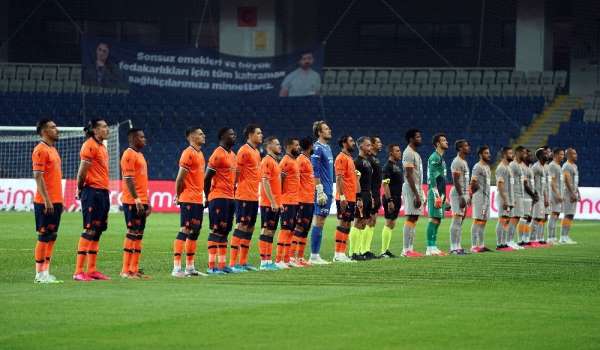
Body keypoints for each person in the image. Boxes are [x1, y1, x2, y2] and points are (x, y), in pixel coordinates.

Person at [73, 119, 111, 281]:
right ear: (95, 130)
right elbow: (82, 171)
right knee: (89, 229)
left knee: (97, 231)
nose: (106, 129)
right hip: (92, 192)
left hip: (103, 191)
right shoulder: (89, 145)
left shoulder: (102, 146)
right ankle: (78, 271)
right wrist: (80, 188)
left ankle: (92, 270)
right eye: (103, 127)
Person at [171, 127, 207, 278]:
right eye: (200, 134)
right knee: (185, 229)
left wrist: (203, 194)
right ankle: (177, 268)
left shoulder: (200, 154)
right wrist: (178, 195)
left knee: (195, 232)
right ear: (191, 137)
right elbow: (180, 179)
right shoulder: (188, 153)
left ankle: (190, 267)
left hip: (198, 199)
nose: (203, 135)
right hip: (188, 198)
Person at [32, 119, 63, 284]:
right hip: (45, 201)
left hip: (56, 200)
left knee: (52, 236)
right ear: (44, 131)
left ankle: (46, 272)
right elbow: (38, 176)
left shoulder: (52, 149)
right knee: (44, 235)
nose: (56, 130)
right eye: (52, 127)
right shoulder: (40, 150)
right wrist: (46, 200)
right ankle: (39, 274)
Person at [230, 124, 263, 272]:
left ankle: (243, 262)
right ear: (250, 135)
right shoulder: (244, 150)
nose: (261, 135)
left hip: (253, 196)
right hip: (243, 195)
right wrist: (234, 187)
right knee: (241, 225)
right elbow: (236, 171)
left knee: (249, 227)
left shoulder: (256, 152)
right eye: (258, 133)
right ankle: (232, 263)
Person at [204, 127, 237, 274]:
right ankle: (212, 266)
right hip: (218, 197)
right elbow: (206, 178)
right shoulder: (218, 154)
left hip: (230, 197)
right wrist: (207, 196)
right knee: (216, 230)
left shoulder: (232, 155)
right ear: (222, 136)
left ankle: (222, 265)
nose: (234, 136)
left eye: (234, 134)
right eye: (231, 134)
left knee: (225, 231)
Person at [120, 128, 151, 279]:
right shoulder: (129, 154)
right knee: (132, 232)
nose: (144, 139)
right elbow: (128, 179)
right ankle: (125, 270)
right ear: (133, 138)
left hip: (142, 200)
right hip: (133, 201)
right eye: (141, 137)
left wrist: (147, 201)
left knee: (139, 235)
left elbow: (142, 180)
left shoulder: (140, 155)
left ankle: (134, 269)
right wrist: (137, 199)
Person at [309, 121, 334, 264]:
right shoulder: (317, 148)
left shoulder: (328, 148)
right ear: (319, 132)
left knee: (321, 221)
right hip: (322, 190)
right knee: (318, 220)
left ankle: (315, 255)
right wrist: (319, 191)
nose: (329, 130)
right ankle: (313, 255)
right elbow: (315, 170)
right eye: (326, 128)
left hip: (329, 190)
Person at [258, 137, 283, 270]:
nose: (280, 146)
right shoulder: (267, 161)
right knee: (266, 230)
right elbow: (265, 182)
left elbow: (275, 184)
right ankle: (263, 262)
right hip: (268, 203)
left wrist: (279, 202)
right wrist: (273, 201)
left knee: (271, 231)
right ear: (269, 146)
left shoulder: (274, 161)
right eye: (277, 144)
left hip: (275, 203)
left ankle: (268, 261)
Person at [276, 138, 302, 269]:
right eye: (296, 145)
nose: (298, 147)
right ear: (288, 146)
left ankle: (286, 259)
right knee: (285, 230)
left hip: (295, 201)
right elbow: (279, 181)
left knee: (291, 230)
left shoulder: (294, 161)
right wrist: (279, 200)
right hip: (287, 201)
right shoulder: (285, 161)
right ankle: (278, 259)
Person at [290, 137, 315, 266]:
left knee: (305, 228)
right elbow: (294, 178)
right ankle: (291, 257)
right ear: (310, 146)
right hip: (301, 199)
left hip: (309, 199)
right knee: (299, 227)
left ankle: (299, 257)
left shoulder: (307, 160)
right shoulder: (300, 160)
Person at [335, 135, 360, 263]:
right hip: (344, 197)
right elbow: (339, 178)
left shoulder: (349, 158)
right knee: (342, 223)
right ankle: (338, 253)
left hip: (351, 196)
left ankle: (342, 253)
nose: (353, 143)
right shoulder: (341, 158)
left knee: (347, 224)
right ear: (344, 143)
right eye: (351, 141)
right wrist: (342, 196)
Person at [402, 129, 425, 258]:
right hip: (412, 188)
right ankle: (406, 250)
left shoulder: (415, 153)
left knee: (414, 218)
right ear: (411, 139)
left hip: (416, 187)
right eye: (417, 136)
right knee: (411, 217)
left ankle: (410, 248)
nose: (420, 138)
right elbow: (408, 175)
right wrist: (416, 194)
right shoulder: (408, 153)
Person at [507, 146, 535, 250]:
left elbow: (522, 182)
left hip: (520, 195)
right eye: (524, 153)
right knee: (514, 218)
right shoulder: (513, 165)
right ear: (518, 153)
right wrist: (511, 196)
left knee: (518, 218)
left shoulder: (519, 166)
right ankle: (509, 241)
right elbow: (510, 182)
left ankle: (512, 240)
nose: (526, 155)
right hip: (516, 195)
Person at [426, 133, 449, 256]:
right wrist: (436, 196)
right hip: (435, 193)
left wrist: (445, 197)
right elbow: (432, 178)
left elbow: (441, 179)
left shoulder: (441, 158)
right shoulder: (434, 157)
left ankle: (433, 246)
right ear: (437, 144)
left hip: (440, 193)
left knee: (438, 220)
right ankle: (430, 248)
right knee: (433, 219)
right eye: (444, 140)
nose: (447, 142)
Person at [380, 144, 403, 258]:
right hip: (391, 198)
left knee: (392, 223)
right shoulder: (387, 167)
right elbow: (385, 184)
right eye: (397, 151)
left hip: (397, 198)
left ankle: (386, 250)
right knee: (389, 222)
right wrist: (390, 200)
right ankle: (383, 251)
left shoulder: (396, 166)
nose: (400, 152)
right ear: (391, 153)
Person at [362, 136, 383, 259]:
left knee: (373, 220)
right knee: (366, 220)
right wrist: (370, 193)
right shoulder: (369, 159)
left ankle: (366, 249)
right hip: (370, 192)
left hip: (376, 191)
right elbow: (367, 178)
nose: (380, 144)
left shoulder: (375, 159)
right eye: (378, 142)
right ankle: (362, 249)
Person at [448, 139, 470, 255]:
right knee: (456, 219)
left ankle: (458, 246)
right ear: (460, 148)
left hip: (463, 194)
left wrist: (467, 195)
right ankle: (453, 247)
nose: (468, 147)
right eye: (465, 146)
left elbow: (465, 180)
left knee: (460, 221)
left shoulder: (464, 162)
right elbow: (455, 180)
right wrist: (461, 196)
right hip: (457, 194)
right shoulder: (457, 162)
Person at [470, 146, 493, 253]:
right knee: (477, 220)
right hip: (479, 197)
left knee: (483, 221)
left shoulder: (488, 167)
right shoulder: (477, 167)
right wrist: (474, 194)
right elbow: (473, 182)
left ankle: (481, 244)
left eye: (488, 153)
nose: (488, 155)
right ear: (480, 154)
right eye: (486, 153)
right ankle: (474, 246)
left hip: (486, 198)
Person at [495, 147, 515, 251]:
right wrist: (506, 199)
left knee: (507, 220)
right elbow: (500, 184)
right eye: (510, 153)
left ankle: (504, 242)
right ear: (504, 155)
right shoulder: (501, 168)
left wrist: (512, 199)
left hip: (509, 198)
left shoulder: (509, 167)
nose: (512, 155)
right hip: (504, 198)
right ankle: (499, 244)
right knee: (502, 219)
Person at [530, 148, 549, 248]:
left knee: (540, 218)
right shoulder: (535, 167)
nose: (548, 155)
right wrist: (533, 195)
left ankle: (537, 239)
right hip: (536, 196)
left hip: (542, 196)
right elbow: (531, 182)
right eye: (545, 153)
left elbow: (544, 184)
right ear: (541, 156)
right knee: (535, 218)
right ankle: (531, 239)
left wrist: (545, 197)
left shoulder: (544, 167)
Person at [560, 148, 579, 244]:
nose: (576, 155)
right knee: (567, 214)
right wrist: (572, 193)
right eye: (574, 154)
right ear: (569, 155)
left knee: (571, 215)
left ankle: (566, 236)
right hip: (568, 193)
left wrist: (577, 192)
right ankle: (563, 237)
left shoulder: (574, 166)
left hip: (573, 192)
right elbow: (566, 181)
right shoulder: (566, 166)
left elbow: (574, 181)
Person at [518, 149, 536, 246]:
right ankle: (520, 239)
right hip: (525, 196)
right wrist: (533, 194)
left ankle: (525, 238)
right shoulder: (522, 168)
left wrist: (534, 194)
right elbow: (524, 184)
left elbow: (531, 184)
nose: (531, 157)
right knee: (523, 218)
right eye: (529, 156)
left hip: (530, 196)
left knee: (529, 218)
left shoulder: (530, 168)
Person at [547, 148, 565, 244]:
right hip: (554, 195)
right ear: (555, 155)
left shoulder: (558, 166)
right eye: (561, 154)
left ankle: (553, 237)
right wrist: (557, 194)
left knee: (556, 215)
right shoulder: (553, 166)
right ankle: (550, 237)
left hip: (558, 194)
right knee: (553, 215)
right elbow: (552, 181)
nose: (563, 156)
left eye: (563, 154)